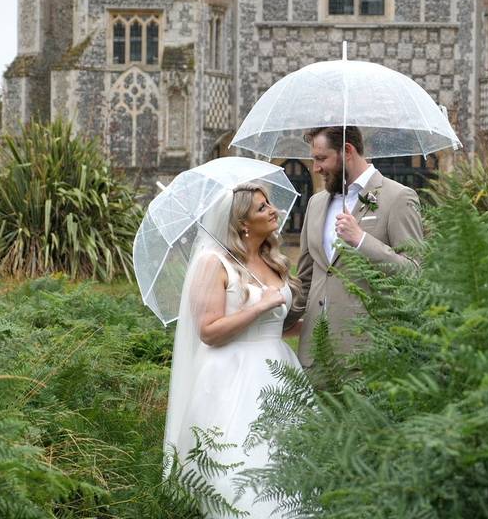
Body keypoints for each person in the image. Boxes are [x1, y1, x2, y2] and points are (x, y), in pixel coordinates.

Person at [163, 182, 301, 518]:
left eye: (269, 204)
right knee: (239, 459)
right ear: (242, 223)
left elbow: (279, 326)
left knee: (286, 457)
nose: (273, 210)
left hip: (279, 371)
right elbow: (209, 332)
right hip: (232, 375)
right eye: (261, 207)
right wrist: (257, 307)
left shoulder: (273, 260)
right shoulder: (214, 263)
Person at [284, 126, 424, 368]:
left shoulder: (398, 197)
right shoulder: (316, 203)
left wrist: (361, 240)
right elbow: (307, 278)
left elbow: (414, 273)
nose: (316, 168)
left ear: (347, 151)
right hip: (314, 357)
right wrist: (274, 323)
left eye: (321, 158)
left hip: (367, 355)